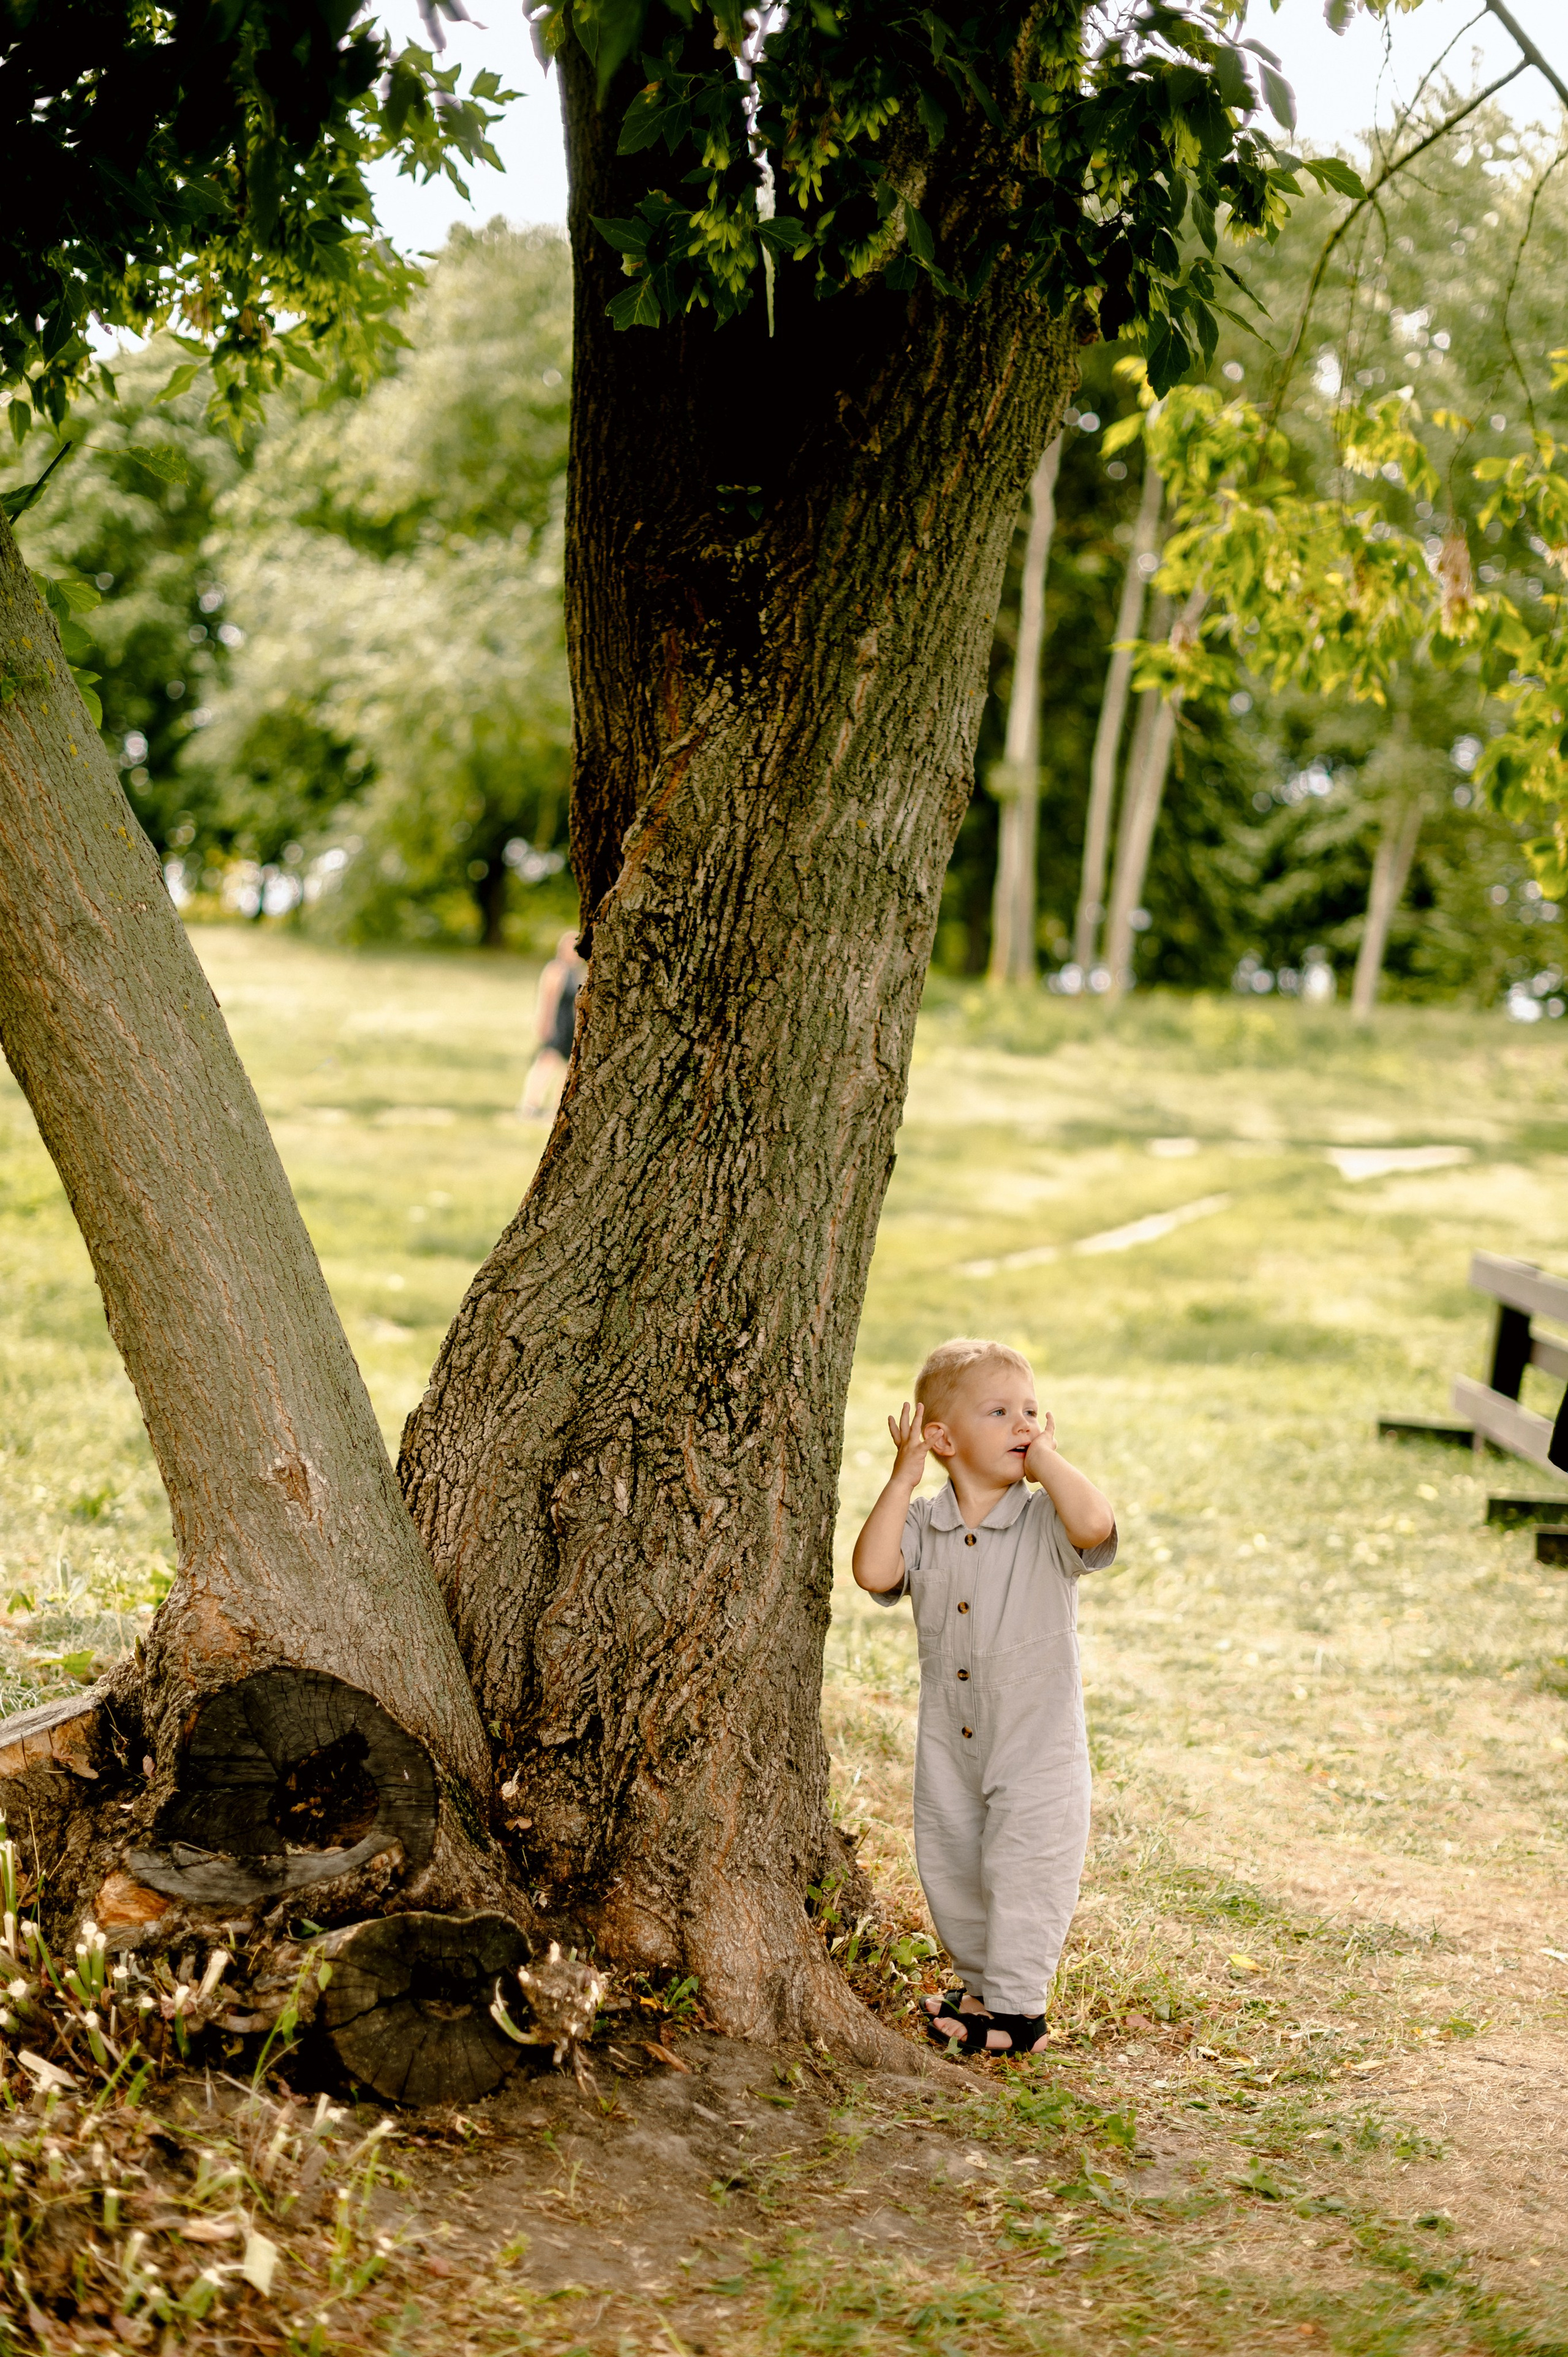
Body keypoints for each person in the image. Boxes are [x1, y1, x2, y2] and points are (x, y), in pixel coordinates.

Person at [851, 1337, 1116, 2058]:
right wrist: (903, 1478)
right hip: (953, 1737)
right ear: (942, 1438)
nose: (1021, 1423)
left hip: (1035, 1741)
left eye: (1030, 1409)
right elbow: (872, 1570)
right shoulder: (924, 1523)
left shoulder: (1043, 1520)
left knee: (1027, 1863)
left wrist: (1049, 1458)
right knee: (954, 1860)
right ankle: (979, 1989)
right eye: (999, 1411)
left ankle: (1018, 2009)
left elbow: (1095, 1523)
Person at [518, 930, 585, 1119]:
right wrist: (544, 1024)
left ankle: (556, 1108)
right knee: (546, 1063)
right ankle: (530, 1105)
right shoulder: (555, 970)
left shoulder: (578, 972)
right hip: (557, 1023)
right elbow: (547, 1000)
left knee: (567, 1069)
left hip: (571, 1026)